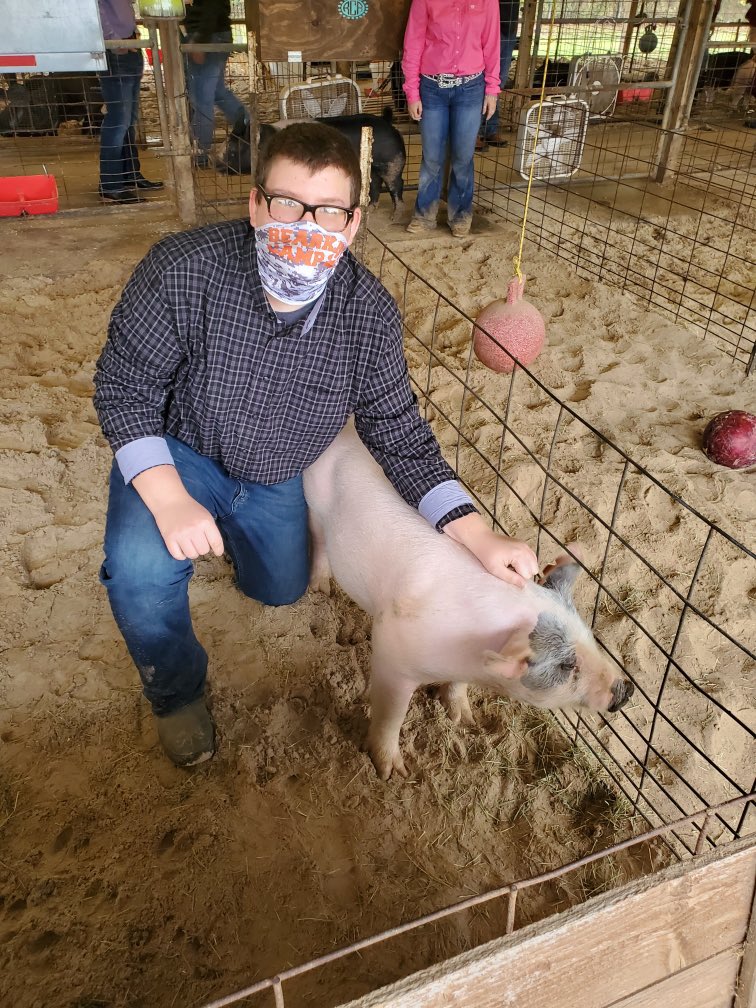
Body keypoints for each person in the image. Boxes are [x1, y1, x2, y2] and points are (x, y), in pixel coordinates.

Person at [93, 122, 539, 768]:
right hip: (180, 450)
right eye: (286, 204)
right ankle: (177, 694)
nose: (305, 227)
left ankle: (233, 539)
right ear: (254, 205)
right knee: (138, 567)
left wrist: (478, 536)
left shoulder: (368, 316)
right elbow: (124, 387)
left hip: (277, 472)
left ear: (352, 225)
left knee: (280, 588)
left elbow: (399, 433)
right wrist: (166, 498)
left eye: (327, 211)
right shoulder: (182, 271)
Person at [402, 0, 500, 237]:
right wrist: (412, 92)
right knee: (432, 156)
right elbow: (413, 43)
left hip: (471, 87)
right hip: (433, 86)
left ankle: (461, 215)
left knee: (463, 155)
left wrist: (492, 89)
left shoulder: (487, 2)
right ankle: (424, 214)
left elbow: (492, 44)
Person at [96, 0, 164, 203]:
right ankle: (111, 183)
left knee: (128, 119)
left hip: (129, 45)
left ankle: (129, 175)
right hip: (117, 49)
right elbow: (96, 10)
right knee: (118, 121)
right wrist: (114, 40)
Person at [182, 0, 247, 167]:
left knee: (202, 100)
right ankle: (251, 129)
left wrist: (200, 40)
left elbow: (211, 6)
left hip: (208, 35)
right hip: (216, 33)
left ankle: (200, 154)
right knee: (217, 92)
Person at [478, 1, 518, 150]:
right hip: (485, 23)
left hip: (508, 25)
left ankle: (490, 129)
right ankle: (475, 132)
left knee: (498, 81)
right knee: (480, 78)